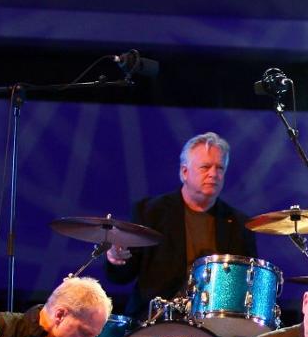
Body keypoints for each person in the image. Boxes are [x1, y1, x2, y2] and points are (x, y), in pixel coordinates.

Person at [105, 132, 258, 319]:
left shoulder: (238, 223)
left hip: (214, 328)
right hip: (154, 322)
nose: (213, 174)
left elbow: (248, 283)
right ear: (184, 172)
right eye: (205, 167)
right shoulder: (150, 212)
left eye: (219, 168)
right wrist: (115, 257)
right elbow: (121, 277)